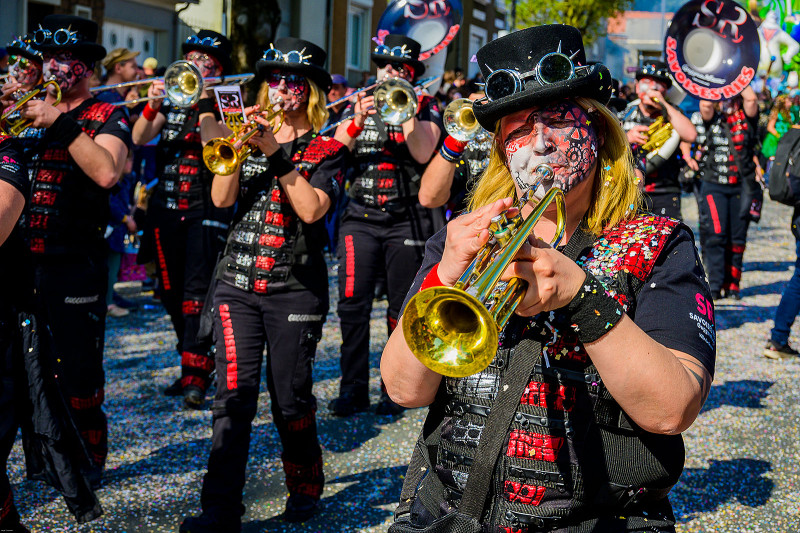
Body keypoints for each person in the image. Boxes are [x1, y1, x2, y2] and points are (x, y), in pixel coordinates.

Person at [382, 25, 715, 532]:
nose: (538, 143)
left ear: (599, 133)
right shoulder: (465, 239)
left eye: (558, 121)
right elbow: (404, 389)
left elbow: (673, 409)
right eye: (516, 129)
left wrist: (582, 298)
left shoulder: (659, 243)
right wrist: (446, 275)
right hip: (447, 513)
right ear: (499, 149)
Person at [181, 38, 346, 532]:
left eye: (294, 82)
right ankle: (220, 510)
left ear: (311, 92)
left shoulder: (329, 147)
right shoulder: (244, 135)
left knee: (290, 398)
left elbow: (314, 210)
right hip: (236, 284)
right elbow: (219, 196)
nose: (283, 89)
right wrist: (235, 140)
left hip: (294, 288)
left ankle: (304, 482)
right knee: (232, 396)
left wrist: (276, 153)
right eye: (275, 80)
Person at [1, 14, 132, 487]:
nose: (55, 68)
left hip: (75, 263)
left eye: (67, 60)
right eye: (50, 59)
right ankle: (43, 460)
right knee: (23, 369)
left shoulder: (108, 114)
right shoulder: (21, 110)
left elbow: (106, 172)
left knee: (76, 371)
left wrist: (59, 121)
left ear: (86, 66)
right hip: (20, 261)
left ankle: (88, 457)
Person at [331, 34, 442, 416]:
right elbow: (330, 157)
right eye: (386, 66)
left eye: (401, 69)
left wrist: (407, 106)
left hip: (404, 219)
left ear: (412, 75)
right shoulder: (356, 104)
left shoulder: (425, 108)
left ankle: (391, 390)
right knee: (352, 305)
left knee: (400, 307)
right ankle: (351, 388)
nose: (391, 72)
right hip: (359, 218)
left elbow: (425, 153)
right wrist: (356, 121)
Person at [132, 30, 234, 408]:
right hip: (164, 209)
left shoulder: (224, 104)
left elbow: (213, 144)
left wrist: (206, 100)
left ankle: (196, 373)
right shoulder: (173, 101)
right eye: (193, 58)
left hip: (203, 210)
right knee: (171, 293)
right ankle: (192, 362)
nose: (198, 66)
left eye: (208, 63)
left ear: (220, 71)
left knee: (195, 295)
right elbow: (140, 138)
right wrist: (153, 105)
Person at [689, 86, 760, 300]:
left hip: (742, 186)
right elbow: (705, 104)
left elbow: (752, 99)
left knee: (737, 237)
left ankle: (733, 285)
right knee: (716, 235)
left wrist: (736, 79)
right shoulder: (713, 116)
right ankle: (717, 284)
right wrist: (719, 82)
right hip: (714, 185)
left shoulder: (747, 118)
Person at [620, 61, 696, 219]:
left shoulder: (673, 113)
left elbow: (690, 135)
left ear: (666, 90)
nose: (652, 88)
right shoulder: (625, 112)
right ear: (636, 85)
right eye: (646, 82)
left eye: (659, 85)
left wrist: (664, 104)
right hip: (629, 191)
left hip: (665, 192)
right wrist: (627, 138)